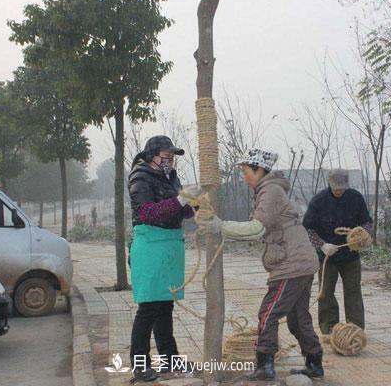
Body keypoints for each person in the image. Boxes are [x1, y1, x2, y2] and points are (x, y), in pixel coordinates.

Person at [206, 148, 324, 380]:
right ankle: (314, 363)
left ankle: (265, 364)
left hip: (291, 264)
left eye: (246, 171)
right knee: (298, 318)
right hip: (301, 261)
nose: (243, 176)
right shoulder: (269, 190)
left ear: (260, 170)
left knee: (268, 313)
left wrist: (220, 226)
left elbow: (256, 228)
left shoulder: (270, 191)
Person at [128, 135, 201, 382]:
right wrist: (180, 199)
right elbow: (146, 212)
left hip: (169, 244)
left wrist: (194, 203)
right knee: (148, 306)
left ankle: (170, 357)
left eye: (172, 157)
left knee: (165, 305)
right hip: (149, 244)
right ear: (152, 156)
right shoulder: (140, 177)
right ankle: (140, 364)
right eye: (166, 157)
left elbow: (180, 210)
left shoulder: (170, 177)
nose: (170, 161)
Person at [303, 169, 373, 335]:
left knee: (353, 292)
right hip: (327, 257)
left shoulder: (356, 198)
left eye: (342, 188)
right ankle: (329, 329)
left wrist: (362, 235)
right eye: (336, 188)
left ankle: (355, 329)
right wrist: (322, 245)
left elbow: (367, 222)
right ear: (329, 184)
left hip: (351, 256)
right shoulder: (318, 201)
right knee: (326, 293)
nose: (339, 191)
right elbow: (308, 228)